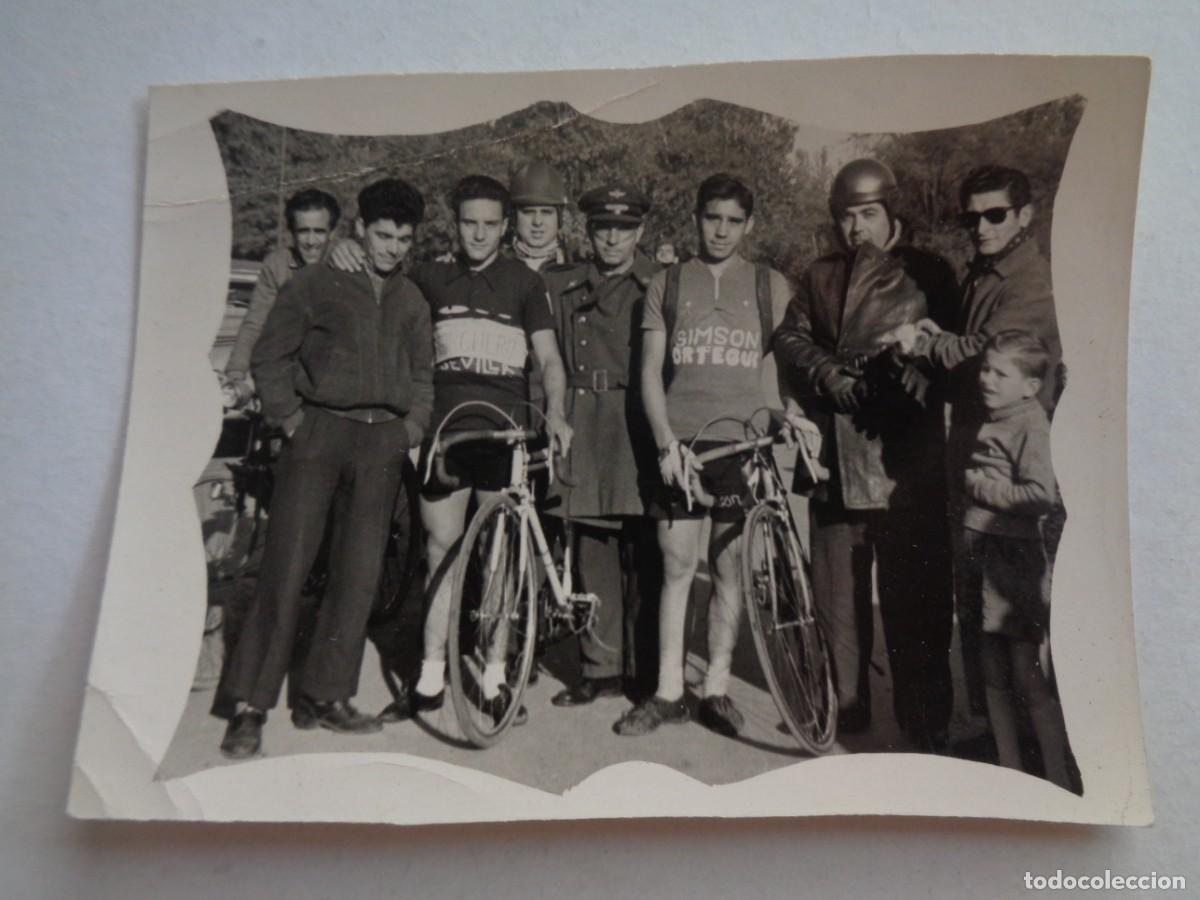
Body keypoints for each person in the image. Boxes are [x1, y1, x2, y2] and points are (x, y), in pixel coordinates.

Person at [333, 175, 573, 723]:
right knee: (440, 553)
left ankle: (493, 676)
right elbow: (378, 276)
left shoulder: (524, 283)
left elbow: (550, 360)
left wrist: (557, 412)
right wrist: (342, 249)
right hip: (445, 436)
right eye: (469, 223)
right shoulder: (430, 277)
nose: (479, 235)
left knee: (498, 558)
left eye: (490, 224)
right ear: (455, 223)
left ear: (505, 226)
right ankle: (429, 676)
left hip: (505, 436)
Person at [219, 177, 433, 759]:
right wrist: (291, 420)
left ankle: (328, 694)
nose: (391, 248)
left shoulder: (412, 299)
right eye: (382, 235)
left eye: (403, 239)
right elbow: (270, 354)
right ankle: (250, 707)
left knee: (358, 576)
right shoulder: (315, 282)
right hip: (317, 437)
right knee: (286, 568)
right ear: (360, 230)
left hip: (380, 444)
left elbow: (423, 377)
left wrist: (409, 430)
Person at [614, 173, 812, 738]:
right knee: (677, 566)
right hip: (684, 446)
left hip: (743, 445)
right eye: (711, 218)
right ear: (696, 218)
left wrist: (792, 413)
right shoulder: (669, 282)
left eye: (733, 221)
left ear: (749, 224)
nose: (721, 231)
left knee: (729, 568)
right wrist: (665, 444)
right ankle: (668, 692)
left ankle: (717, 688)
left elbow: (787, 366)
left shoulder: (771, 285)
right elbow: (649, 373)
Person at [773, 158, 957, 749]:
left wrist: (910, 373)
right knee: (837, 599)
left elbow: (956, 350)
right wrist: (828, 374)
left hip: (904, 457)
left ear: (891, 213)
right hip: (835, 454)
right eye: (846, 217)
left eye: (868, 214)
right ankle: (844, 704)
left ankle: (924, 719)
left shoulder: (929, 272)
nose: (857, 229)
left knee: (915, 599)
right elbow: (788, 336)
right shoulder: (820, 274)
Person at [888, 164, 1064, 719]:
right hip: (976, 442)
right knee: (976, 594)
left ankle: (1028, 733)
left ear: (1024, 216)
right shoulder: (983, 272)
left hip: (1011, 457)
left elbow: (980, 353)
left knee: (1015, 606)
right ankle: (994, 723)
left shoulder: (1030, 282)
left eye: (995, 215)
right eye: (972, 218)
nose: (981, 228)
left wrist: (925, 344)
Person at [540, 184, 661, 706]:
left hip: (639, 423)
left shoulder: (660, 283)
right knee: (593, 551)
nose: (612, 239)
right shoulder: (562, 284)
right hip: (586, 422)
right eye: (603, 228)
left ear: (641, 231)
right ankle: (600, 667)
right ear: (588, 231)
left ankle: (646, 671)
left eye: (624, 229)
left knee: (647, 554)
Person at [956, 330, 1077, 792]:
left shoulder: (1031, 426)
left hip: (1012, 565)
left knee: (1027, 676)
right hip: (984, 554)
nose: (986, 379)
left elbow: (1040, 495)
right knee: (992, 675)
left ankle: (1056, 778)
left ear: (1030, 386)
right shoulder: (1000, 416)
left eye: (1000, 373)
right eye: (985, 369)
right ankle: (1011, 776)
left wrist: (980, 487)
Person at [222, 188, 341, 408]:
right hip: (286, 375)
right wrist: (236, 373)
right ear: (292, 233)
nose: (311, 241)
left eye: (319, 231)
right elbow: (255, 323)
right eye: (303, 231)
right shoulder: (277, 265)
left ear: (332, 233)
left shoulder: (344, 263)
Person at [508, 159, 572, 271]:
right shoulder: (496, 266)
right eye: (528, 212)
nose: (537, 222)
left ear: (559, 217)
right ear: (515, 216)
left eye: (546, 212)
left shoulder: (578, 267)